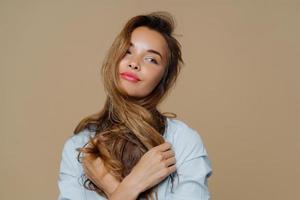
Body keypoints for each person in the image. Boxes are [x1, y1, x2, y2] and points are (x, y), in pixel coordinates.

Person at [58, 11, 213, 200]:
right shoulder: (79, 146)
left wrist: (112, 185)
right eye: (127, 51)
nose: (134, 63)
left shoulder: (182, 142)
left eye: (151, 59)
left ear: (164, 78)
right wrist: (131, 186)